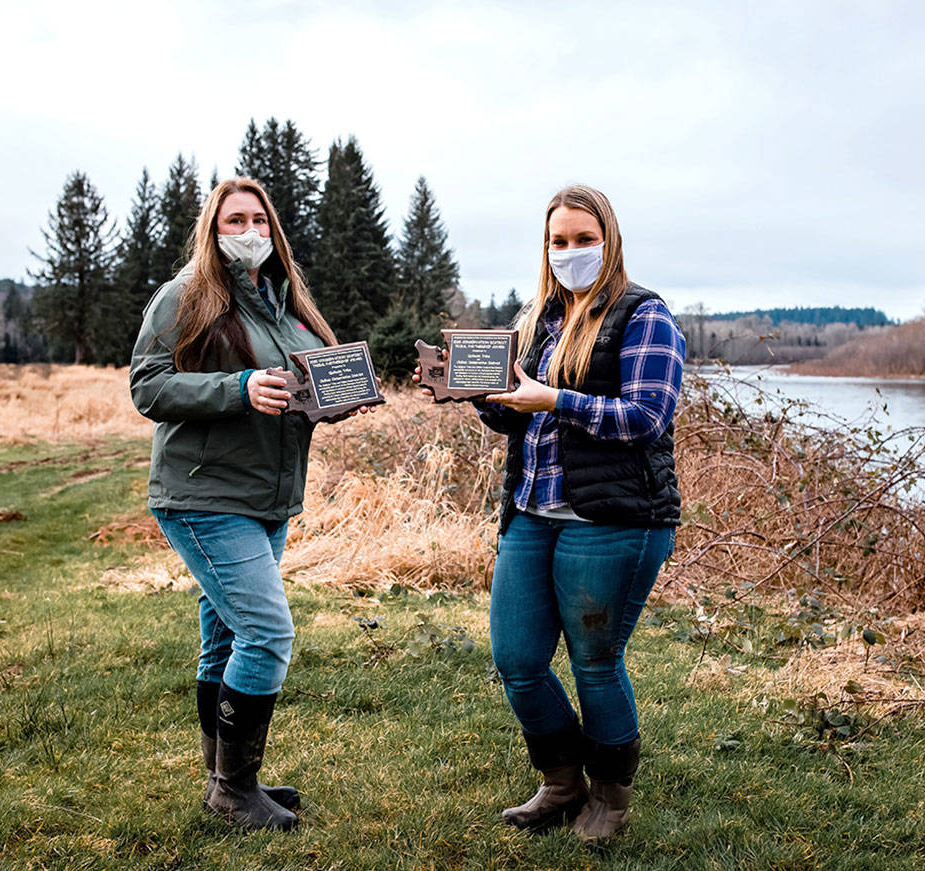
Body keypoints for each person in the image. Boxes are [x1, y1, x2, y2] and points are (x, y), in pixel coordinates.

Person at [417, 185, 684, 840]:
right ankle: (561, 782)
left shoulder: (643, 314)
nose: (569, 251)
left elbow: (648, 418)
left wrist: (556, 400)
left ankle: (610, 799)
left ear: (609, 240)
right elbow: (516, 413)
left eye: (582, 239)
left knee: (595, 658)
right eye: (558, 241)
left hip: (614, 521)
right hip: (533, 513)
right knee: (516, 658)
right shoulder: (534, 316)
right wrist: (472, 392)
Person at [130, 178, 366, 831]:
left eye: (259, 219)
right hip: (206, 493)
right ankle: (233, 791)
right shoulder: (186, 296)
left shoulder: (281, 302)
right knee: (267, 632)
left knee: (226, 638)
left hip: (268, 497)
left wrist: (336, 396)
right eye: (235, 219)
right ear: (213, 228)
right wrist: (237, 388)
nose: (249, 230)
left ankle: (228, 779)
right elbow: (148, 386)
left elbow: (312, 382)